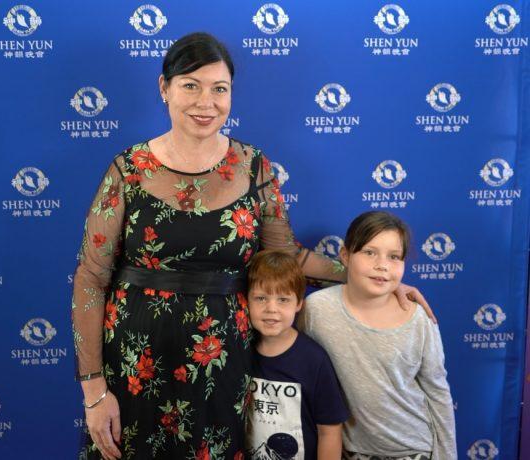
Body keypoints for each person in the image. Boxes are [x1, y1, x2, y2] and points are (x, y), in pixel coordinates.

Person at [71, 32, 432, 459]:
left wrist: (371, 279)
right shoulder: (127, 170)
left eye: (219, 89)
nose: (206, 102)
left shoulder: (253, 165)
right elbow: (92, 279)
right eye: (191, 85)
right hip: (136, 362)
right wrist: (94, 390)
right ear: (163, 88)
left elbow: (289, 258)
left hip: (224, 362)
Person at [302, 211, 457, 460]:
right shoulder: (317, 310)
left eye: (394, 257)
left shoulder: (418, 319)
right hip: (349, 451)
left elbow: (438, 393)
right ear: (345, 255)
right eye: (369, 252)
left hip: (413, 450)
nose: (382, 265)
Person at [245, 250, 349, 460]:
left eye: (283, 299)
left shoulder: (314, 359)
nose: (271, 309)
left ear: (299, 303)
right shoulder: (240, 352)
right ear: (246, 299)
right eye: (261, 298)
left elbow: (330, 431)